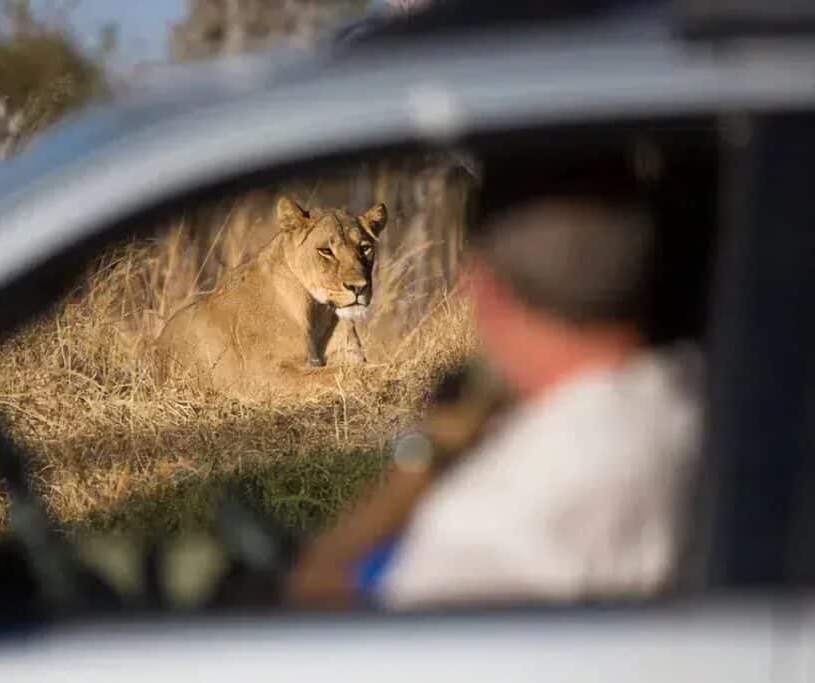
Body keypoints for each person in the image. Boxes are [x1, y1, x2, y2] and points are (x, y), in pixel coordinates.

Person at [284, 188, 705, 610]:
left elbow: (317, 611)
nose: (358, 274)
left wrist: (421, 461)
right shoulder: (699, 394)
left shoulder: (489, 530)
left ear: (482, 290)